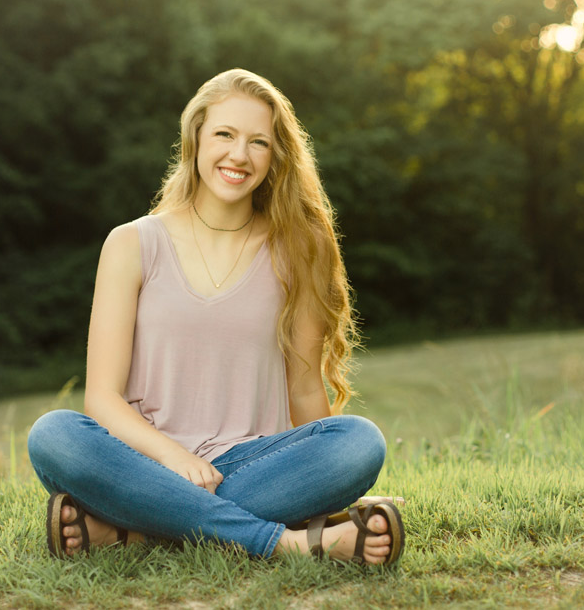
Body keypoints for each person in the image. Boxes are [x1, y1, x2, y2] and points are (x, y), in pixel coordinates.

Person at [26, 68, 405, 565]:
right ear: (196, 138)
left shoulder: (299, 248)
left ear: (275, 157)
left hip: (251, 465)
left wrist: (331, 488)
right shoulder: (132, 243)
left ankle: (130, 531)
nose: (239, 155)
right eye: (224, 134)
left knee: (358, 443)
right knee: (54, 435)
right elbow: (102, 396)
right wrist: (174, 459)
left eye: (258, 143)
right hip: (144, 460)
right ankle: (285, 542)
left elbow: (306, 388)